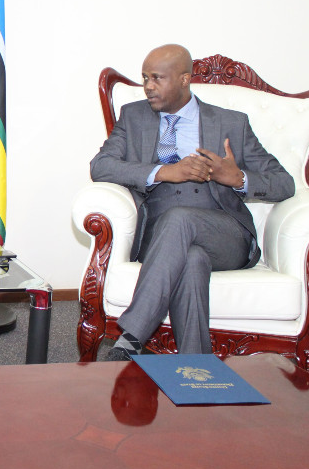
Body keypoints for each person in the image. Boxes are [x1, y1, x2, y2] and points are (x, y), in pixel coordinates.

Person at [89, 44, 295, 360]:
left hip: (225, 234)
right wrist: (165, 172)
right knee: (192, 258)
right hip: (161, 239)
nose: (148, 87)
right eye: (144, 78)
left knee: (182, 219)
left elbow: (284, 183)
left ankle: (132, 336)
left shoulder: (231, 123)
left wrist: (236, 178)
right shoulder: (134, 117)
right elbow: (100, 166)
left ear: (185, 79)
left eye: (157, 78)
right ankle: (196, 369)